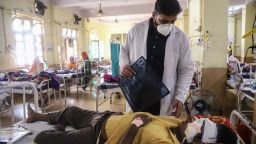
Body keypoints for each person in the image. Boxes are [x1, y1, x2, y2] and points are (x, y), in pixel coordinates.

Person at [119, 0, 194, 117]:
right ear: (154, 14)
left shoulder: (180, 37)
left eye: (172, 22)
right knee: (137, 127)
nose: (168, 25)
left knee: (158, 131)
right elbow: (124, 50)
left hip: (163, 98)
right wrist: (124, 65)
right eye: (163, 21)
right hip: (139, 94)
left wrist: (180, 97)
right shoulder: (136, 30)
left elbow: (186, 69)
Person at [26, 105, 182, 144]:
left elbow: (128, 137)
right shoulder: (174, 123)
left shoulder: (163, 139)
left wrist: (136, 124)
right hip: (106, 116)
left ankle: (59, 125)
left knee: (44, 138)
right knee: (71, 110)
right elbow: (141, 117)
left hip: (98, 134)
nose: (192, 123)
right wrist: (139, 121)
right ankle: (37, 116)